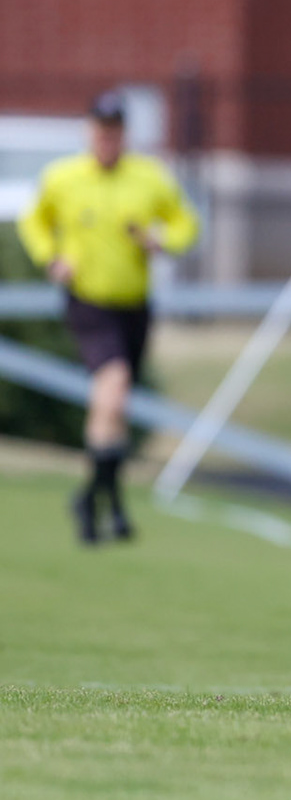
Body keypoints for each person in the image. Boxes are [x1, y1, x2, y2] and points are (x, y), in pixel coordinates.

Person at [17, 90, 200, 544]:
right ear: (89, 132)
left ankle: (99, 499)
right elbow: (34, 222)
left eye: (114, 131)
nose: (107, 139)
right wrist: (51, 258)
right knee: (113, 388)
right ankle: (106, 502)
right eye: (100, 131)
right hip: (89, 302)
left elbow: (186, 223)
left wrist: (161, 239)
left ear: (124, 135)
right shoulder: (64, 178)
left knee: (114, 406)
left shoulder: (149, 178)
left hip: (134, 305)